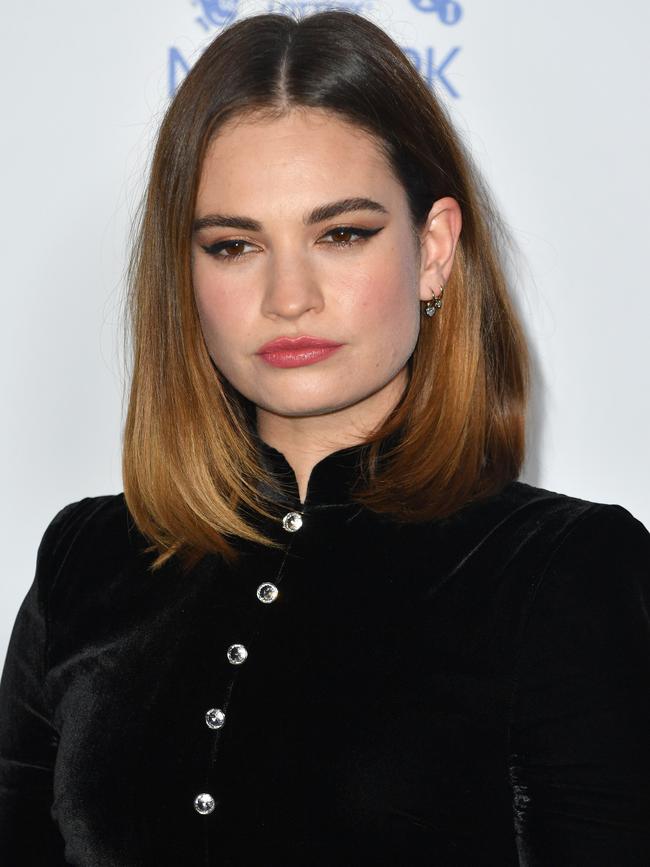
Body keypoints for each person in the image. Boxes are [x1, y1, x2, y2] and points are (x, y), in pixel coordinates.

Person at [1, 9, 648, 866]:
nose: (288, 296)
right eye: (234, 245)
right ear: (185, 274)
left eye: (341, 233)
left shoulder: (564, 567)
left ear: (433, 249)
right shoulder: (85, 557)